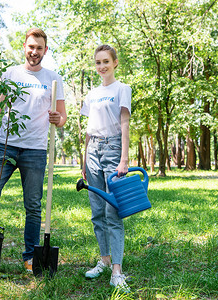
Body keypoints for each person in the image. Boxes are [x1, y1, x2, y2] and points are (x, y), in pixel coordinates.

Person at [0, 28, 66, 272]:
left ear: (45, 50)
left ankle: (29, 257)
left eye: (39, 48)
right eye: (31, 47)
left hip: (35, 150)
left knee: (33, 206)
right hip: (5, 145)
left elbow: (62, 117)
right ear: (24, 47)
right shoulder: (10, 73)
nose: (34, 52)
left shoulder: (54, 79)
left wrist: (58, 118)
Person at [80, 44, 131, 292]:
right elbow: (88, 130)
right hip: (93, 150)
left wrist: (124, 158)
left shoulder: (122, 89)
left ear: (115, 63)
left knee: (113, 212)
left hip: (113, 149)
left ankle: (117, 271)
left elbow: (124, 123)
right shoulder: (91, 94)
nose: (102, 66)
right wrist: (83, 159)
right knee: (97, 211)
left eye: (106, 62)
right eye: (98, 62)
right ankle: (103, 260)